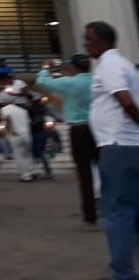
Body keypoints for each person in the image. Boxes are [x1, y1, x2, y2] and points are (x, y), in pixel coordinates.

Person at [84, 21, 139, 280]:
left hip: (118, 145)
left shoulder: (109, 66)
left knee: (117, 212)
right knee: (132, 209)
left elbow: (126, 102)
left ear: (103, 40)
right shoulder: (124, 64)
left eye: (89, 39)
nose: (85, 44)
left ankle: (123, 274)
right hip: (130, 145)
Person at [37, 54, 96, 224]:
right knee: (105, 170)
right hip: (99, 127)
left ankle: (89, 212)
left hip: (78, 129)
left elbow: (42, 82)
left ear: (74, 67)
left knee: (84, 173)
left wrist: (45, 67)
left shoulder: (70, 83)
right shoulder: (97, 80)